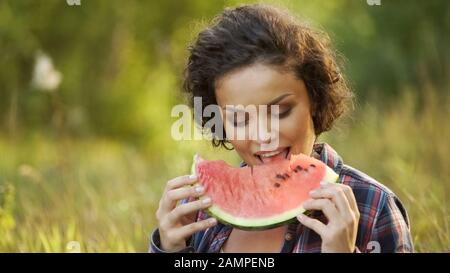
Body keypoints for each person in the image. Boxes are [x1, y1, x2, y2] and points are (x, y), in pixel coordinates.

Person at [150, 4, 413, 253]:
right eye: (240, 120)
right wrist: (171, 250)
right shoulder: (198, 211)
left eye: (280, 112)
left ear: (315, 100)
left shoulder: (374, 207)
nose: (263, 136)